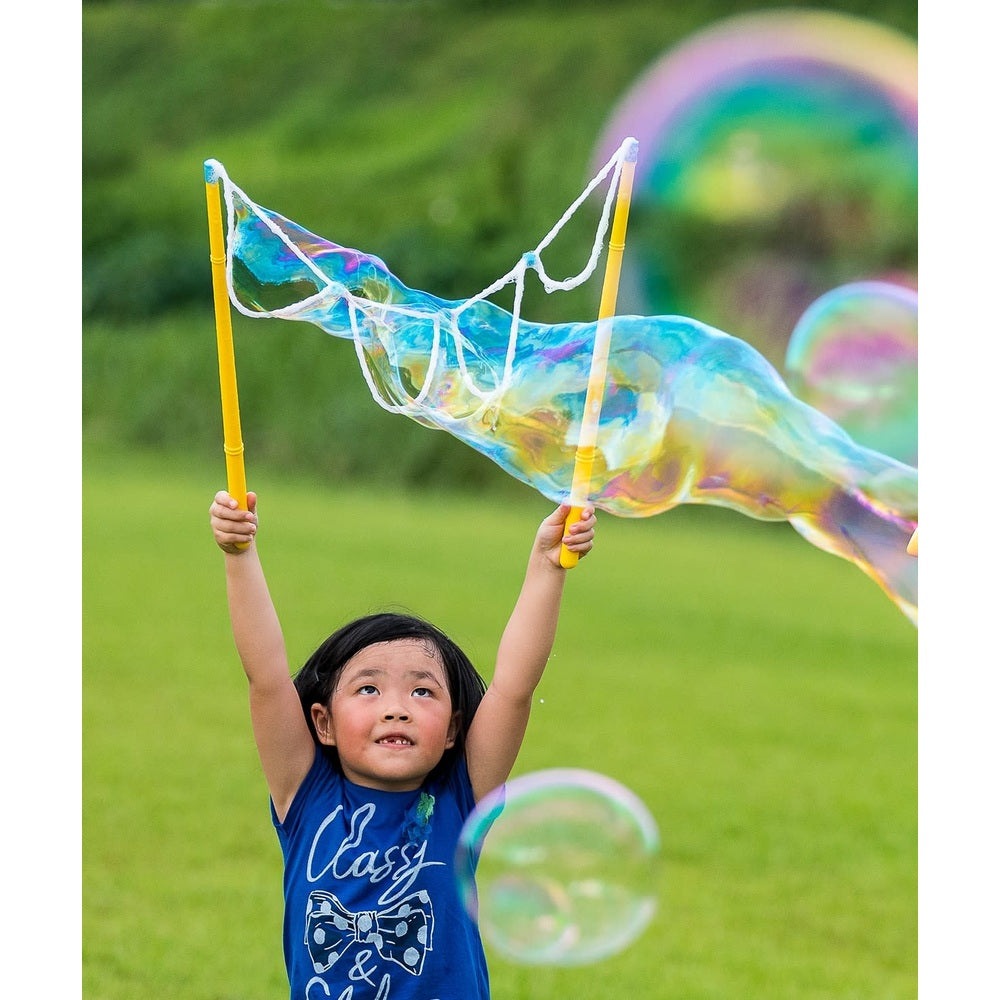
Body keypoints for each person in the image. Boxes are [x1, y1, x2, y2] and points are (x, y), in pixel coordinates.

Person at [209, 488, 596, 1000]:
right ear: (322, 723)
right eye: (369, 689)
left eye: (422, 691)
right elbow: (266, 678)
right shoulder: (305, 794)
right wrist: (240, 556)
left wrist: (548, 567)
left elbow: (514, 688)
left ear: (455, 728)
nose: (398, 708)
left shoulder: (461, 799)